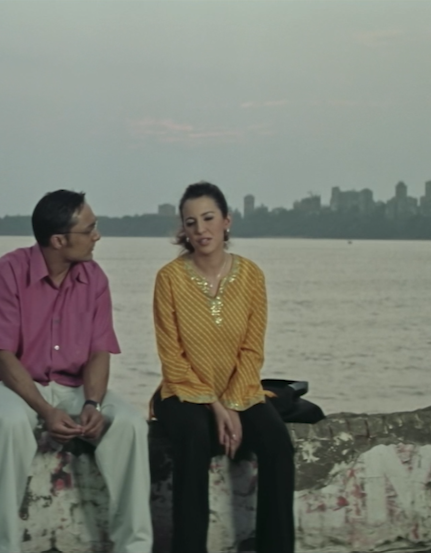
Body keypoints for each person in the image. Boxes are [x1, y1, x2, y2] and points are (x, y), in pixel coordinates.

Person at [0, 189, 153, 553]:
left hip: (75, 386)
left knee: (131, 424)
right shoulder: (7, 272)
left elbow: (100, 350)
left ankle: (134, 547)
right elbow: (3, 356)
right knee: (9, 423)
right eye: (89, 229)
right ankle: (1, 548)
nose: (97, 236)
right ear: (58, 240)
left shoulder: (95, 278)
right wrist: (45, 410)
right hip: (17, 385)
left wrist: (93, 403)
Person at [150, 182, 295, 553]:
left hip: (241, 389)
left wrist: (232, 402)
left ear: (226, 221)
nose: (201, 229)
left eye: (208, 218)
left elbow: (252, 349)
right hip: (181, 392)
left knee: (278, 443)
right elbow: (172, 356)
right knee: (195, 437)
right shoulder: (169, 279)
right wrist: (215, 406)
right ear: (184, 230)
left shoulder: (251, 276)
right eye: (191, 222)